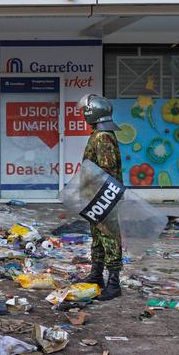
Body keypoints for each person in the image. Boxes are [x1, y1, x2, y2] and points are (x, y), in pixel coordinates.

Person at [79, 94, 123, 301]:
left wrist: (100, 194)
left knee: (109, 237)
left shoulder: (102, 136)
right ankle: (96, 275)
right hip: (97, 195)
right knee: (98, 237)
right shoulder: (100, 133)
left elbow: (107, 168)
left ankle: (114, 283)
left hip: (104, 195)